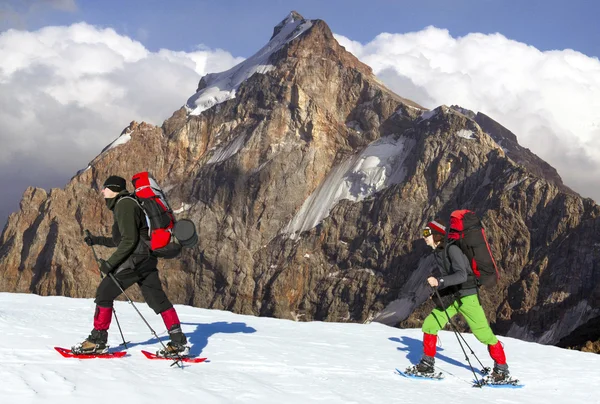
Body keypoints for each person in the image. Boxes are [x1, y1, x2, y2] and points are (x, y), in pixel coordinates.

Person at [72, 175, 189, 357]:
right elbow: (120, 239)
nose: (102, 191)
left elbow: (129, 241)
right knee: (157, 299)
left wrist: (109, 264)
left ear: (114, 189)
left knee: (104, 293)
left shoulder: (124, 205)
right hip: (147, 258)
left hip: (135, 260)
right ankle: (178, 342)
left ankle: (97, 341)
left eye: (105, 188)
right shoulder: (129, 203)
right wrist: (96, 240)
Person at [413, 218, 510, 382]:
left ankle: (502, 368)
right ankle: (427, 364)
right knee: (430, 324)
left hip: (467, 296)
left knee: (484, 335)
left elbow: (462, 275)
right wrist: (440, 288)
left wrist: (440, 282)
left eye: (426, 233)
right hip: (452, 296)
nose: (424, 237)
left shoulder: (452, 250)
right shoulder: (438, 252)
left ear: (436, 235)